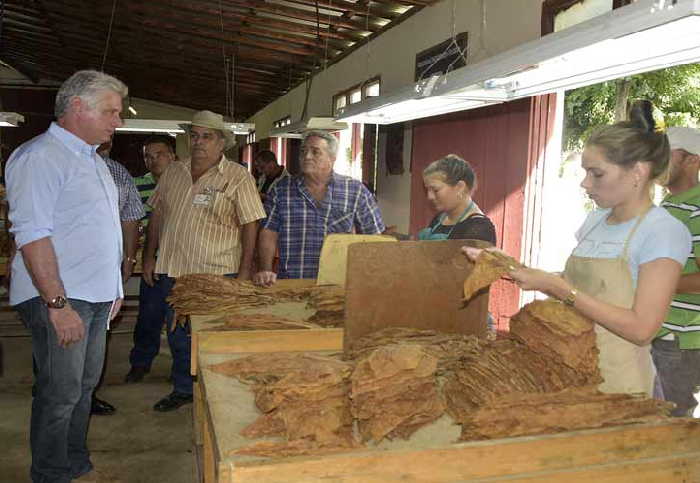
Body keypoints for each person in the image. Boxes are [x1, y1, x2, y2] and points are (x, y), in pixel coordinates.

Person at [463, 102, 691, 397]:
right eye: (585, 172)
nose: (585, 183)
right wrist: (505, 266)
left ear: (638, 172)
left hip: (621, 387)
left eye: (597, 174)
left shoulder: (662, 231)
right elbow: (577, 283)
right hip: (571, 374)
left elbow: (641, 328)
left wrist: (559, 289)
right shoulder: (596, 221)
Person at [6, 70, 126, 482]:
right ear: (78, 107)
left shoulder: (92, 160)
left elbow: (100, 229)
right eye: (111, 111)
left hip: (93, 296)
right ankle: (51, 473)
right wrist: (57, 304)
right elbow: (32, 235)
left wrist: (113, 289)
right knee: (59, 393)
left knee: (82, 388)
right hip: (60, 297)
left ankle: (75, 462)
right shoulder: (40, 157)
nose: (118, 121)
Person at [142, 110, 265, 411]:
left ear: (222, 143)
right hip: (174, 272)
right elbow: (157, 215)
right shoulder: (173, 172)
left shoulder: (237, 176)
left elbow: (251, 223)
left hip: (217, 273)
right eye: (194, 136)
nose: (198, 142)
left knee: (215, 337)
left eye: (207, 136)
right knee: (178, 337)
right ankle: (184, 388)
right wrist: (148, 257)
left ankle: (219, 392)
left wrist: (245, 273)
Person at [253, 130, 385, 285]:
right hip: (293, 281)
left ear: (332, 158)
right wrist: (266, 269)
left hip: (339, 283)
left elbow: (375, 237)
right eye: (303, 151)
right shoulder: (281, 190)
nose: (307, 156)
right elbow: (268, 232)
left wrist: (369, 276)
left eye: (315, 152)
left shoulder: (355, 191)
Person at [654, 126, 700, 416]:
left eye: (667, 156)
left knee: (672, 422)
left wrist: (652, 285)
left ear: (692, 160)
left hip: (679, 339)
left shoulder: (697, 208)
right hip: (660, 332)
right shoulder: (668, 206)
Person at [124, 135, 176, 384]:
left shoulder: (185, 183)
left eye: (159, 154)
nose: (153, 160)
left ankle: (182, 368)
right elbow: (131, 222)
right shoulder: (135, 185)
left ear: (172, 156)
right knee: (149, 316)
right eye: (148, 156)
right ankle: (141, 362)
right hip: (152, 260)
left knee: (180, 319)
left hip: (181, 262)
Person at [418, 154, 496, 244]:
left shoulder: (480, 229)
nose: (429, 196)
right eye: (427, 190)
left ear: (460, 187)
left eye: (435, 190)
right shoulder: (439, 219)